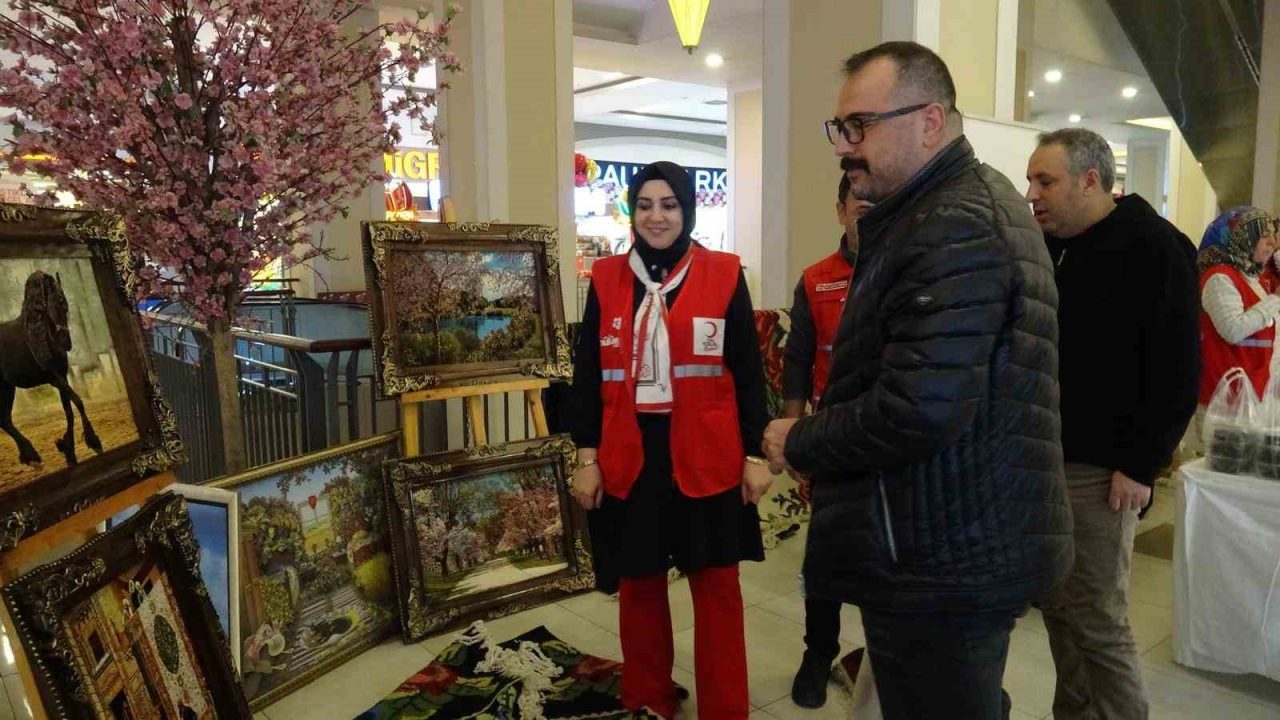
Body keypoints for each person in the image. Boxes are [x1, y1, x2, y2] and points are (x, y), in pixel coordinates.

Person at [761, 41, 1073, 720]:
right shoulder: (933, 212)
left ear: (930, 121)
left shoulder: (954, 223)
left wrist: (802, 439)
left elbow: (918, 408)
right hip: (941, 537)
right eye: (840, 128)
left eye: (860, 126)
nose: (845, 146)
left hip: (946, 555)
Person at [570, 160, 774, 720]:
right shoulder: (607, 278)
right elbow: (588, 374)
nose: (656, 216)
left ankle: (726, 710)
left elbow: (748, 373)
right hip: (630, 456)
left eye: (669, 205)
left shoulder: (724, 273)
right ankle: (647, 698)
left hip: (706, 457)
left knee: (716, 593)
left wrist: (756, 454)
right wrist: (586, 455)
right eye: (645, 205)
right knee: (638, 589)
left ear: (688, 209)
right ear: (631, 211)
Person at [1025, 127, 1200, 720]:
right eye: (1031, 180)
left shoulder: (1154, 247)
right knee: (1056, 605)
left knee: (1098, 616)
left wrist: (1140, 464)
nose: (1033, 194)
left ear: (1091, 180)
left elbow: (1178, 369)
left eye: (1045, 180)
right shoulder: (1053, 246)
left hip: (1105, 471)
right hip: (1045, 460)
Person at [783, 173, 872, 709]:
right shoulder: (817, 279)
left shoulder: (905, 270)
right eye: (860, 207)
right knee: (826, 558)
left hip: (892, 442)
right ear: (840, 210)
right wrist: (793, 432)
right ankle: (819, 652)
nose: (869, 215)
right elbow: (797, 358)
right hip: (833, 441)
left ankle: (885, 656)